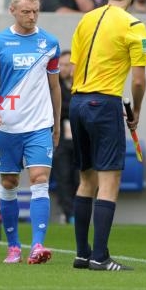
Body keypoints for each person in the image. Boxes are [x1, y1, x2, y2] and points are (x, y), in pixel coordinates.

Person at [70, 0, 146, 271]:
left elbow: (76, 64)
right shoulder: (134, 24)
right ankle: (100, 257)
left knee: (86, 179)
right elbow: (139, 81)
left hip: (77, 102)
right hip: (103, 104)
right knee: (109, 180)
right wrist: (137, 111)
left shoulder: (86, 19)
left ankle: (82, 253)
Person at [0, 0, 61, 264]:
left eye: (35, 11)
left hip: (39, 125)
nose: (32, 16)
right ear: (12, 11)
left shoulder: (49, 43)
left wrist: (57, 124)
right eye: (26, 11)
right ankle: (13, 246)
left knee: (39, 180)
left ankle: (38, 246)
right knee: (10, 182)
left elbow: (54, 86)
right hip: (7, 126)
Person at [51, 50, 78, 224]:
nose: (63, 68)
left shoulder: (82, 85)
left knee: (79, 177)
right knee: (63, 176)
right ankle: (69, 214)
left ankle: (79, 211)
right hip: (60, 139)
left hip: (80, 139)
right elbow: (56, 110)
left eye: (67, 65)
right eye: (60, 65)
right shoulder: (55, 86)